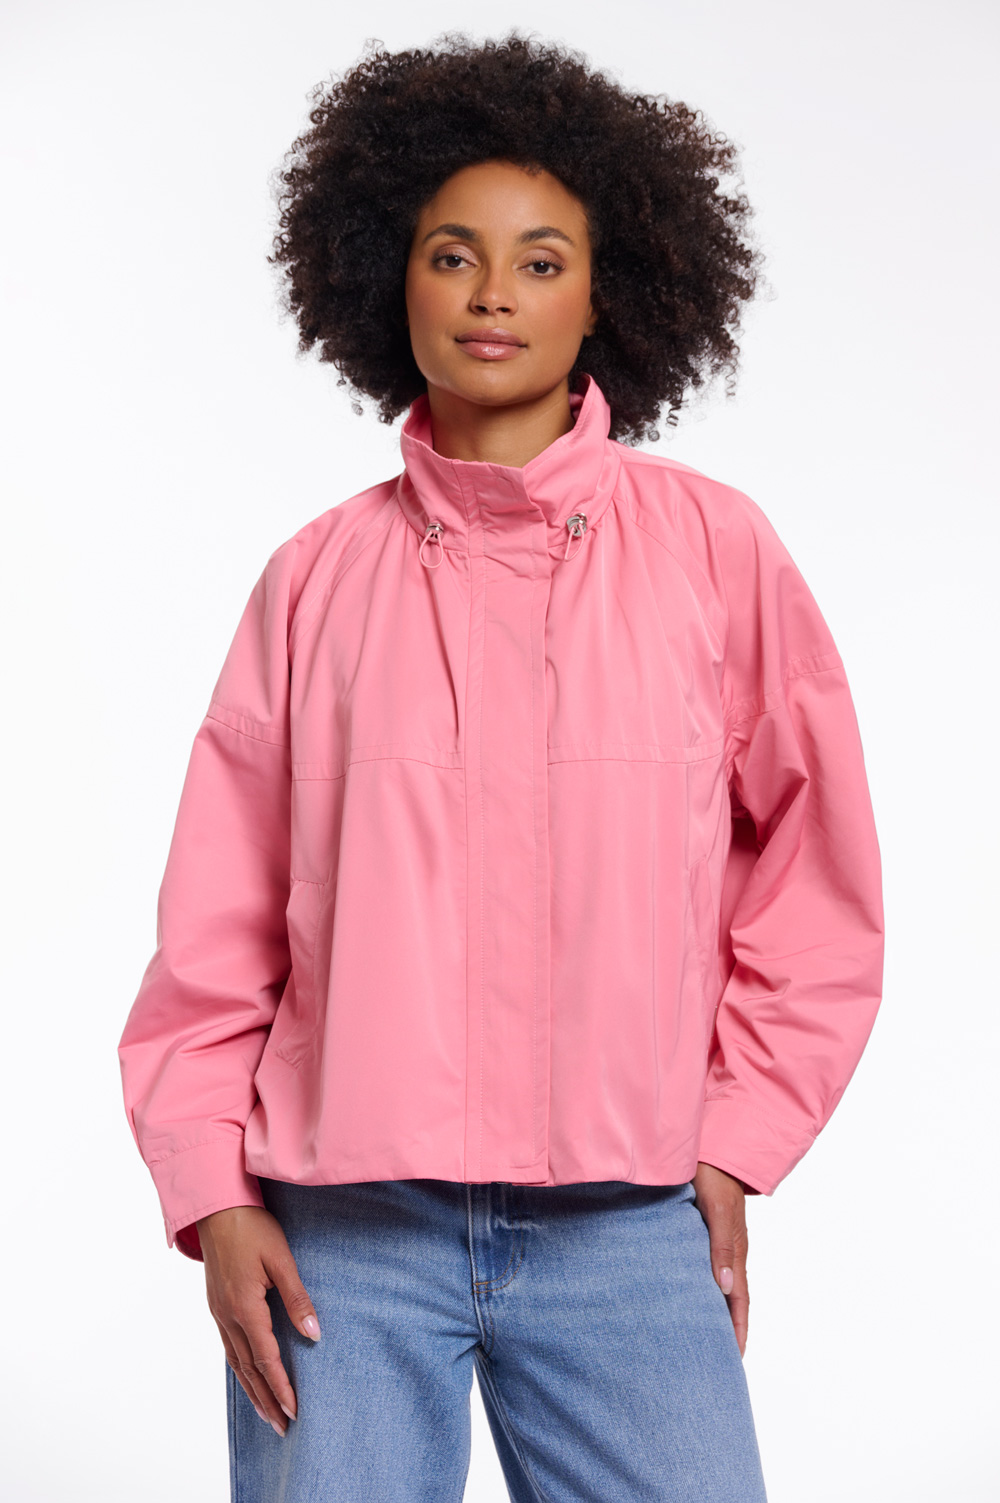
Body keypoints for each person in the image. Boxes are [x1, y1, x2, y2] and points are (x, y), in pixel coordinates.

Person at [117, 31, 884, 1502]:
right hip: (342, 1237)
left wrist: (737, 1142)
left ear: (607, 293)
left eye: (541, 261)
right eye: (452, 255)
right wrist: (212, 1192)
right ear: (386, 279)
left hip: (628, 1229)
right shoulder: (313, 581)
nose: (491, 294)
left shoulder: (716, 555)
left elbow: (819, 880)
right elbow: (216, 929)